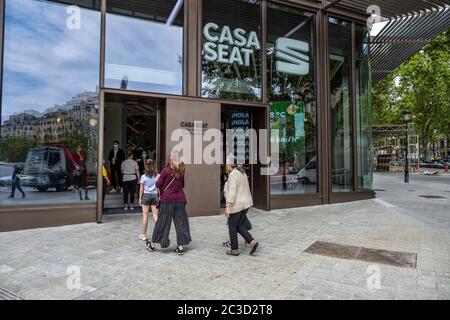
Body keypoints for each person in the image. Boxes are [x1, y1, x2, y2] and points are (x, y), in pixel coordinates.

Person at [146, 150, 191, 255]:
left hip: (167, 200)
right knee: (180, 222)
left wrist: (158, 178)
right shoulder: (182, 170)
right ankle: (180, 247)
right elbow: (182, 185)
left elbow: (158, 184)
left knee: (163, 222)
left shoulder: (165, 171)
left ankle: (152, 244)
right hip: (180, 199)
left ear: (170, 159)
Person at [224, 155, 258, 256]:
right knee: (238, 225)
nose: (226, 166)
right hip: (246, 204)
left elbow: (232, 191)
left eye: (226, 164)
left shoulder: (233, 174)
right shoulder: (242, 172)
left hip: (237, 205)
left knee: (232, 225)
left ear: (229, 164)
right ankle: (252, 242)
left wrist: (228, 206)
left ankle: (234, 249)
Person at [138, 159, 159, 241]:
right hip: (155, 196)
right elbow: (159, 188)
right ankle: (158, 235)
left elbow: (141, 190)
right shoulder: (157, 176)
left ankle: (143, 235)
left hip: (146, 196)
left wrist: (140, 198)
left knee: (145, 216)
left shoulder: (143, 177)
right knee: (156, 216)